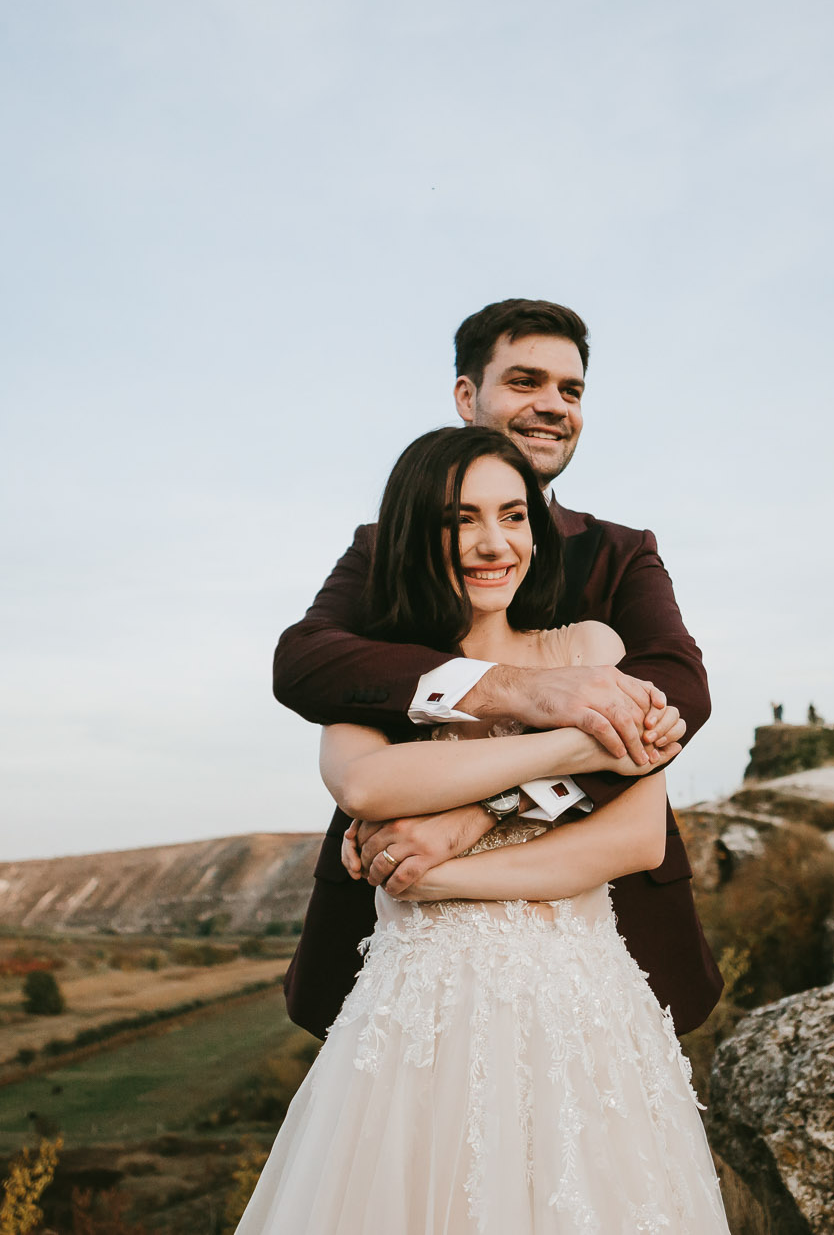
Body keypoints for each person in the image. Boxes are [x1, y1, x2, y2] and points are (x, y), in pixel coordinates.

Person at [238, 427, 730, 1232]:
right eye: (459, 520)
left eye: (512, 515)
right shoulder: (376, 673)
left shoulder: (592, 645)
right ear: (412, 535)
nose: (492, 542)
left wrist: (445, 867)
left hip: (583, 1015)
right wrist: (583, 737)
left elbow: (633, 839)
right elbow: (366, 782)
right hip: (418, 1030)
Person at [272, 299, 721, 1043]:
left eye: (570, 390)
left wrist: (485, 813)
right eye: (524, 380)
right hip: (404, 944)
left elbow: (676, 693)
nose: (551, 405)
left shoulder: (621, 552)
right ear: (466, 396)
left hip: (595, 939)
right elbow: (308, 660)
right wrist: (519, 689)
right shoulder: (383, 549)